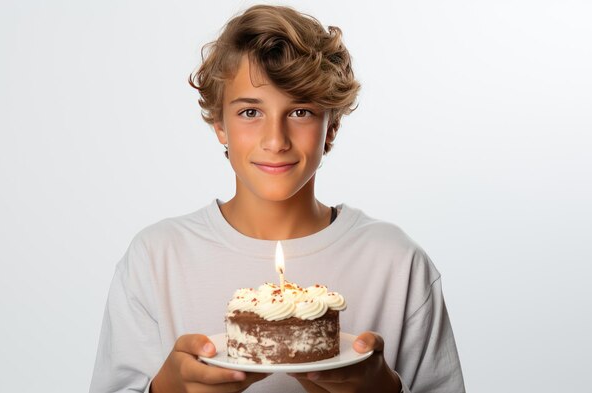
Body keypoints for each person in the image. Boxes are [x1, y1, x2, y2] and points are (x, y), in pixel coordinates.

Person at [89, 4, 465, 393]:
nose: (275, 141)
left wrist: (385, 390)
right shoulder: (156, 258)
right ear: (219, 124)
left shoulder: (396, 262)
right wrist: (165, 388)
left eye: (300, 111)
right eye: (250, 112)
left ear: (331, 127)